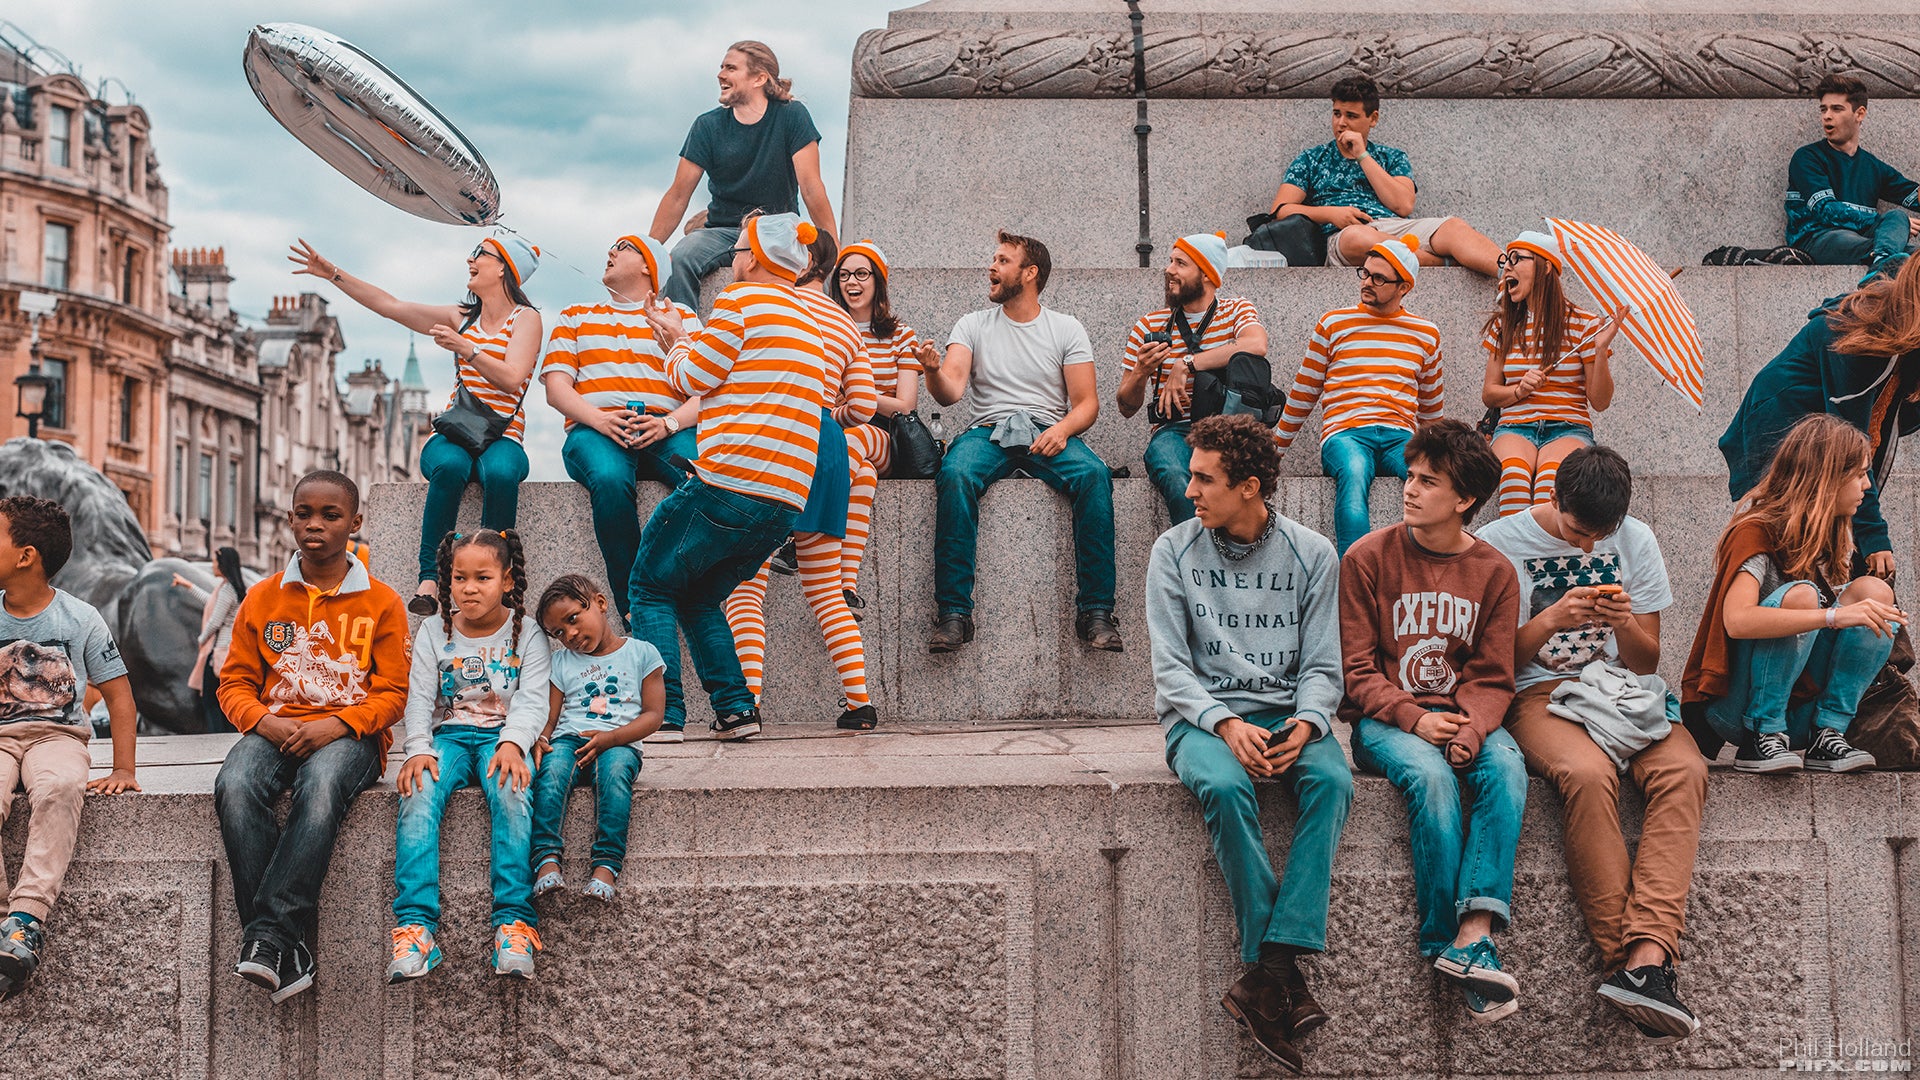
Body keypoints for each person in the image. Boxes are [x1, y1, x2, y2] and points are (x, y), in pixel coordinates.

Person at [1477, 446, 1707, 1042]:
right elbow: (1490, 664)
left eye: (1599, 537)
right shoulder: (1501, 541)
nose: (1587, 548)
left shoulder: (1635, 540)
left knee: (1685, 768)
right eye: (1579, 532)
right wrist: (1552, 619)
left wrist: (1625, 621)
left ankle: (1647, 960)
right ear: (1552, 499)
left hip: (1624, 691)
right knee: (1586, 773)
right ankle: (1624, 960)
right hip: (1539, 692)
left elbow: (1648, 658)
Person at [1147, 416, 1351, 1071]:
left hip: (1287, 714)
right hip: (1202, 720)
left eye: (1205, 479)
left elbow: (1323, 665)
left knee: (1334, 781)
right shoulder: (1173, 551)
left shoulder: (1313, 553)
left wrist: (1308, 723)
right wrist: (1224, 723)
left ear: (1251, 487)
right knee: (1227, 786)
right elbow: (1171, 669)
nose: (1190, 490)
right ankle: (1279, 973)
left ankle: (1269, 968)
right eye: (1192, 475)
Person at [1339, 419, 1525, 1023]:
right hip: (1386, 723)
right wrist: (1415, 721)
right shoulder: (1368, 557)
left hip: (1464, 717)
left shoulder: (1495, 572)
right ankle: (1446, 941)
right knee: (1434, 781)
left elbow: (1494, 676)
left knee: (1508, 769)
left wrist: (1471, 729)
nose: (1410, 489)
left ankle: (1475, 932)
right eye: (1411, 476)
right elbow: (1357, 672)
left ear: (1465, 499)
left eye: (1429, 481)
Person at [631, 212, 826, 742]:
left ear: (757, 259)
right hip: (784, 501)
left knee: (648, 586)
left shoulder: (738, 302)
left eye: (739, 249)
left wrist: (673, 337)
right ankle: (737, 710)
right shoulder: (809, 320)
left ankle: (662, 714)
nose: (731, 258)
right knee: (697, 598)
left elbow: (691, 378)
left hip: (728, 480)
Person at [215, 470, 408, 1003]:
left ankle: (268, 936)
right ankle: (285, 948)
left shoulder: (383, 603)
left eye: (330, 515)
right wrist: (263, 721)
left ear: (355, 523)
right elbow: (234, 684)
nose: (314, 525)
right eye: (304, 514)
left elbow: (393, 695)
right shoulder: (261, 597)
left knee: (320, 786)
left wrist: (338, 724)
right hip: (275, 727)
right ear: (291, 519)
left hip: (350, 735)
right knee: (235, 784)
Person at [288, 235, 543, 617]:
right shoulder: (463, 315)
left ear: (504, 267)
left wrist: (466, 348)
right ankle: (431, 576)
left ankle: (496, 574)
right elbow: (392, 306)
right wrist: (332, 274)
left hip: (503, 435)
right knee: (451, 467)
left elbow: (512, 377)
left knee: (503, 471)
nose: (470, 260)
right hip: (458, 432)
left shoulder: (527, 319)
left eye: (481, 255)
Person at [924, 230, 1122, 653]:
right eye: (993, 259)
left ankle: (1097, 612)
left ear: (1029, 273)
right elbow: (951, 391)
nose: (991, 267)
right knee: (956, 473)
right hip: (988, 432)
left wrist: (1062, 430)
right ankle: (954, 614)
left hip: (1047, 429)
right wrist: (932, 372)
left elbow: (1087, 404)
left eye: (1002, 260)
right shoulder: (971, 324)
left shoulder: (1066, 328)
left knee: (1094, 476)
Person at [1685, 415, 1908, 773]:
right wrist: (1833, 616)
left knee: (1874, 594)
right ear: (1828, 478)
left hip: (1798, 708)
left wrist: (1852, 613)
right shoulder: (1755, 530)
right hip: (1736, 707)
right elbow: (1737, 620)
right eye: (1860, 474)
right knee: (1802, 596)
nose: (1867, 486)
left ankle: (1828, 733)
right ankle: (1762, 736)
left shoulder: (1826, 536)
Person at [724, 233, 881, 730]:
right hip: (829, 445)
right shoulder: (841, 319)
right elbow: (866, 407)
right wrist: (835, 410)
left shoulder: (760, 302)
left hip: (775, 440)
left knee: (747, 586)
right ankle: (859, 702)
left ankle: (747, 701)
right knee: (826, 590)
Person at [388, 529, 551, 983]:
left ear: (507, 580)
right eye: (460, 578)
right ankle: (416, 928)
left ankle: (514, 925)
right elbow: (419, 699)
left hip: (503, 736)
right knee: (418, 792)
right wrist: (417, 749)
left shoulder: (528, 634)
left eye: (482, 577)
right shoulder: (433, 631)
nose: (469, 588)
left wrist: (515, 743)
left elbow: (533, 699)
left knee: (512, 788)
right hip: (452, 736)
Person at [0, 496, 138, 999]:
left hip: (58, 736)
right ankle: (4, 929)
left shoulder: (80, 619)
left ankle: (26, 917)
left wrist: (123, 766)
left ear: (25, 556)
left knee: (58, 788)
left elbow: (120, 695)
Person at [1719, 254, 1920, 582]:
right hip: (1782, 435)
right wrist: (1874, 537)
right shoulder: (1860, 342)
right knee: (1786, 558)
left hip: (1822, 447)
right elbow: (1850, 448)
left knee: (1838, 566)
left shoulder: (1903, 339)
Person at [542, 234, 702, 619]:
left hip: (668, 429)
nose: (610, 252)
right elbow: (555, 387)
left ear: (650, 266)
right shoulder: (575, 315)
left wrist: (667, 424)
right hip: (594, 429)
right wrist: (600, 419)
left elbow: (706, 392)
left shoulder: (682, 317)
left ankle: (683, 577)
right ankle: (633, 602)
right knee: (611, 480)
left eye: (623, 247)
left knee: (704, 477)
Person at [1274, 235, 1444, 555]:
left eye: (1379, 278)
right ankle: (1355, 575)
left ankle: (1424, 567)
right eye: (1364, 273)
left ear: (1403, 287)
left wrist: (1440, 452)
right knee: (1353, 474)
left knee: (1431, 478)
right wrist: (1276, 448)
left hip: (1399, 436)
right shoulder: (1334, 323)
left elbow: (1431, 408)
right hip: (1346, 433)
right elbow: (1304, 391)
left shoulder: (1426, 333)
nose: (1367, 282)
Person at [649, 41, 835, 310]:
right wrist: (648, 248)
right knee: (681, 258)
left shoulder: (792, 116)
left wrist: (835, 249)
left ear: (759, 78)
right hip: (724, 231)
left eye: (731, 68)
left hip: (779, 229)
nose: (721, 74)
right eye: (721, 67)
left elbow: (811, 188)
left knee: (819, 275)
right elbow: (678, 195)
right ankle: (683, 338)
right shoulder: (707, 126)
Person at [1262, 74, 1499, 275]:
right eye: (1337, 114)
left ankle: (1511, 272)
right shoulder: (1312, 159)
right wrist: (1330, 214)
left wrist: (1363, 156)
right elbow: (1280, 211)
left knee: (1454, 226)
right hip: (1343, 237)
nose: (1341, 123)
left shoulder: (1391, 157)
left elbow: (1403, 205)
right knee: (1357, 238)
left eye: (1351, 116)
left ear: (1372, 118)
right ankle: (1440, 262)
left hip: (1394, 228)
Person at [1117, 231, 1269, 523]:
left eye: (1181, 263)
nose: (1169, 270)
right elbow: (1125, 406)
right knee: (1176, 476)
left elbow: (1256, 344)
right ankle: (1198, 560)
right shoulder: (1149, 324)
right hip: (1173, 429)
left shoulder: (1236, 309)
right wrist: (1141, 372)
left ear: (1208, 275)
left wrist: (1186, 364)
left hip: (1229, 424)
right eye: (1170, 261)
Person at [531, 575, 664, 904]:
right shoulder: (560, 662)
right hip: (569, 739)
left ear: (601, 604)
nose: (570, 635)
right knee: (552, 772)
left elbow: (653, 715)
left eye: (573, 619)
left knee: (616, 774)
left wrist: (611, 738)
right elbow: (550, 716)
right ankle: (546, 860)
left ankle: (606, 866)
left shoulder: (642, 653)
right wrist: (543, 739)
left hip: (620, 741)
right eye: (558, 633)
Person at [1480, 232, 1622, 516]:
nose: (1507, 267)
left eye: (1517, 259)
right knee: (1515, 478)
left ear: (1546, 267)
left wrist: (1600, 350)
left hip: (1569, 427)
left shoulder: (1584, 324)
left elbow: (1600, 401)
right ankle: (1513, 560)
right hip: (1514, 426)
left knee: (1550, 480)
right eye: (1506, 260)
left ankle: (1539, 558)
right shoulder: (1503, 326)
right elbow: (1489, 394)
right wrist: (1519, 390)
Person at [831, 240, 926, 608]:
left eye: (861, 274)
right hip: (840, 431)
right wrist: (852, 404)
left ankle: (802, 535)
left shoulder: (901, 334)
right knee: (864, 476)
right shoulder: (830, 330)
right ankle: (845, 585)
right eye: (843, 275)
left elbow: (905, 405)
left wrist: (859, 397)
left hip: (887, 438)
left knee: (860, 439)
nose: (851, 282)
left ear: (878, 281)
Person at [1785, 74, 1920, 274]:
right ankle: (1882, 264)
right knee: (1897, 219)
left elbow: (1912, 194)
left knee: (1913, 255)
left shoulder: (1873, 167)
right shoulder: (1807, 158)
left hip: (1865, 243)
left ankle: (1882, 262)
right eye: (1824, 109)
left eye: (1836, 109)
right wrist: (1885, 221)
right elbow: (1826, 210)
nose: (1827, 116)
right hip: (1817, 239)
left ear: (1860, 113)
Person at [178, 545, 247, 732]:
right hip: (228, 651)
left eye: (215, 562)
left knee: (211, 700)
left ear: (223, 564)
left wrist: (201, 639)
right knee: (221, 699)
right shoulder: (230, 589)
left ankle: (217, 737)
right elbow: (211, 603)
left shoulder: (227, 590)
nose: (213, 566)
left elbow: (215, 620)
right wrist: (189, 586)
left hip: (220, 652)